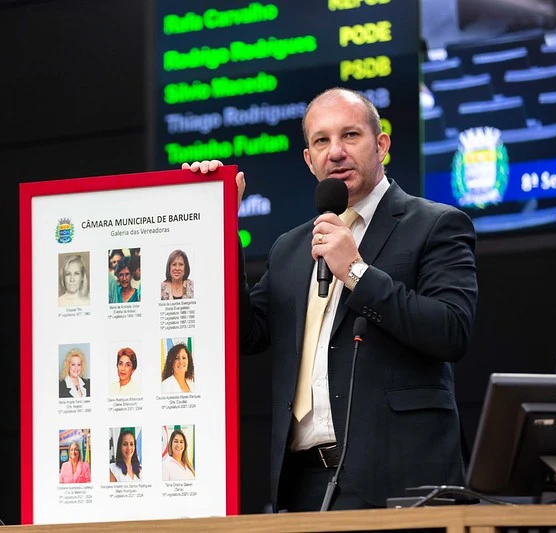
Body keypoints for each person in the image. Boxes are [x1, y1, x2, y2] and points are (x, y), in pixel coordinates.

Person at [183, 88, 478, 512]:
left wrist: (355, 271)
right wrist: (219, 220)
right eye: (321, 141)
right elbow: (247, 334)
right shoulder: (290, 247)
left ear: (382, 145)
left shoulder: (436, 225)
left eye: (350, 136)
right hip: (305, 484)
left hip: (401, 482)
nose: (335, 152)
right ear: (308, 160)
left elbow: (451, 330)